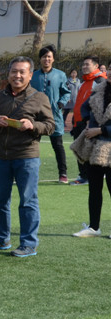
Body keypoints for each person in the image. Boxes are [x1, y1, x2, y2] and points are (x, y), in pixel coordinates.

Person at [0, 56, 55, 257]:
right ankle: (0, 238)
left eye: (22, 72)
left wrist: (32, 125)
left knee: (28, 201)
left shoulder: (39, 97)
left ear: (30, 75)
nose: (17, 75)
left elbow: (50, 126)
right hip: (0, 156)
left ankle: (28, 244)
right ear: (9, 74)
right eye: (14, 71)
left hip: (26, 156)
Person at [69, 74, 111, 238]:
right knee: (94, 188)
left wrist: (100, 130)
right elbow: (84, 107)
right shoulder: (99, 89)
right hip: (94, 147)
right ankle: (94, 227)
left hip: (107, 144)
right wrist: (87, 121)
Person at [31, 45, 71, 184]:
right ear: (40, 59)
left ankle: (63, 173)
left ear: (53, 59)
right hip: (35, 116)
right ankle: (28, 173)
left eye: (49, 56)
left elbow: (66, 92)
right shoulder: (33, 75)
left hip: (54, 116)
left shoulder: (60, 75)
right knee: (31, 145)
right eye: (44, 56)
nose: (46, 59)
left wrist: (61, 103)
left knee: (58, 146)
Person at [69, 55, 107, 186]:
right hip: (78, 122)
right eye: (83, 64)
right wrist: (74, 121)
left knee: (88, 150)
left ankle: (86, 176)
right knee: (80, 149)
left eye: (87, 64)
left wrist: (91, 121)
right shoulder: (84, 82)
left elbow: (101, 104)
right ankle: (84, 175)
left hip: (89, 123)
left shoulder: (100, 81)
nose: (84, 67)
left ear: (96, 66)